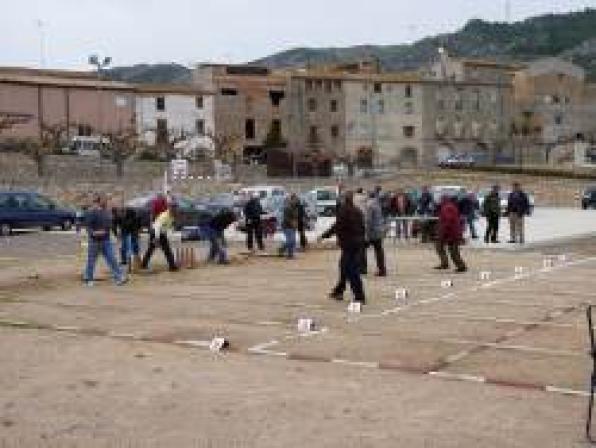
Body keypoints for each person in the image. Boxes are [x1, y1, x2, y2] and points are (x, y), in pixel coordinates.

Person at [320, 191, 366, 304]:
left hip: (349, 245)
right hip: (356, 244)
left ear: (344, 200)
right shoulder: (357, 211)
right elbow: (362, 228)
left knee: (351, 271)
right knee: (344, 267)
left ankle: (359, 296)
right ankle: (339, 291)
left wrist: (324, 236)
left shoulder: (344, 211)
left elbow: (336, 227)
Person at [83, 193, 127, 286]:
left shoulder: (107, 212)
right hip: (94, 241)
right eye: (105, 200)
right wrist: (93, 233)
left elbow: (110, 226)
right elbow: (88, 226)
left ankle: (119, 277)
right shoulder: (92, 212)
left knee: (112, 259)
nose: (107, 201)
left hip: (106, 240)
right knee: (92, 260)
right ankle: (88, 278)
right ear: (99, 201)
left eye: (107, 200)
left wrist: (116, 235)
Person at [141, 199, 178, 271]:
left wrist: (170, 232)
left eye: (175, 207)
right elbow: (157, 227)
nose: (175, 209)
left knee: (167, 250)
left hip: (162, 233)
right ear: (169, 207)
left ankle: (172, 266)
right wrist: (156, 238)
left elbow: (168, 227)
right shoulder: (164, 216)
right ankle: (143, 265)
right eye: (173, 207)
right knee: (151, 249)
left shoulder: (172, 216)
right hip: (155, 232)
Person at [434, 195, 467, 273]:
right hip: (450, 232)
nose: (439, 201)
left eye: (440, 199)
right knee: (441, 247)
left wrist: (443, 232)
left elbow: (448, 221)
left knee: (452, 250)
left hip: (450, 232)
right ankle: (446, 263)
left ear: (443, 200)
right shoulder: (448, 207)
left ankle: (461, 266)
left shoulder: (447, 208)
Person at [365, 192, 387, 276]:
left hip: (372, 232)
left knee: (361, 249)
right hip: (379, 231)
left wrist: (366, 233)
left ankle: (362, 269)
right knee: (379, 251)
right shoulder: (377, 205)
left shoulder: (369, 205)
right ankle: (382, 269)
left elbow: (368, 220)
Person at [278, 194, 300, 259]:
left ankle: (287, 252)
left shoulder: (295, 207)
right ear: (292, 199)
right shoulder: (287, 207)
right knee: (290, 241)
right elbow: (286, 218)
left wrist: (296, 223)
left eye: (297, 199)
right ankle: (286, 252)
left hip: (293, 226)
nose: (296, 201)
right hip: (286, 226)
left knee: (292, 241)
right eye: (295, 199)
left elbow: (296, 217)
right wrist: (292, 223)